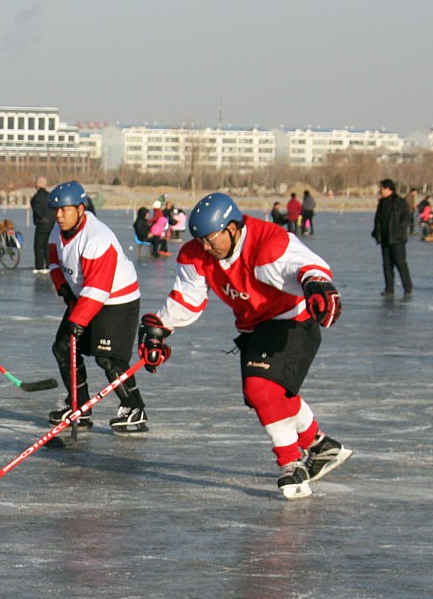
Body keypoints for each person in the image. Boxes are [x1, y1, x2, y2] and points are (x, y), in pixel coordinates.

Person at [138, 192, 352, 499]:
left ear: (233, 228)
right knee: (268, 396)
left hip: (293, 318)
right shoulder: (197, 255)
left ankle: (291, 463)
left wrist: (318, 284)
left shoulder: (268, 245)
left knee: (261, 389)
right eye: (201, 241)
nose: (206, 248)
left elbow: (306, 266)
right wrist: (160, 327)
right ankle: (320, 446)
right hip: (254, 325)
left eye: (211, 239)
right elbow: (188, 299)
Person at [45, 181, 148, 435]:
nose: (58, 215)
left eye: (64, 210)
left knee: (108, 358)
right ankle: (79, 405)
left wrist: (77, 321)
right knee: (63, 347)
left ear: (80, 209)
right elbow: (55, 263)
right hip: (84, 297)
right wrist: (63, 288)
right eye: (56, 210)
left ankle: (134, 408)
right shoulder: (56, 234)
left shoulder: (97, 238)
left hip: (116, 300)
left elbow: (98, 288)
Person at [372, 179, 413, 299]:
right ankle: (389, 288)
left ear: (388, 189)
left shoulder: (400, 202)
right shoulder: (382, 203)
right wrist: (376, 233)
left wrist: (400, 229)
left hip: (397, 239)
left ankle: (407, 288)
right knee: (387, 265)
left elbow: (406, 217)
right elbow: (378, 220)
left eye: (381, 188)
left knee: (400, 263)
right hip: (384, 239)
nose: (380, 190)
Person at [29, 176, 56, 274]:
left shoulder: (36, 198)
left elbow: (37, 210)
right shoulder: (50, 196)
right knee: (47, 245)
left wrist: (41, 217)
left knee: (38, 245)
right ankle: (50, 265)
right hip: (51, 224)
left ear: (37, 185)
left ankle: (40, 266)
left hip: (41, 224)